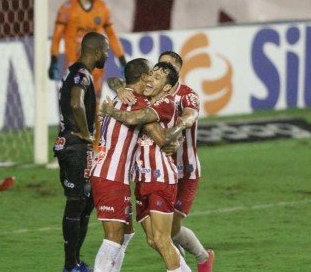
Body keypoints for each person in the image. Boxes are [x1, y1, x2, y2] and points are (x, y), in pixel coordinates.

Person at [109, 51, 215, 272]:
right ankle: (180, 263)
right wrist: (120, 88)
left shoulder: (178, 98)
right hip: (145, 175)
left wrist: (176, 130)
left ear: (175, 74)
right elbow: (119, 79)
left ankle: (200, 258)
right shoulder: (149, 95)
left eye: (162, 71)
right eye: (154, 70)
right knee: (154, 239)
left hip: (177, 172)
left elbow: (190, 115)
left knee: (167, 234)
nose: (151, 76)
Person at [91, 58, 183, 272]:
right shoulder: (137, 103)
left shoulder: (120, 97)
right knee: (114, 237)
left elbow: (115, 80)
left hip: (113, 174)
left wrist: (119, 89)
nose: (152, 77)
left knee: (127, 234)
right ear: (143, 77)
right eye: (151, 73)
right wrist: (175, 138)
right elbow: (160, 139)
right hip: (111, 176)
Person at [54, 32, 109, 272]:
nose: (106, 55)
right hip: (74, 147)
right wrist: (86, 133)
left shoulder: (76, 72)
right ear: (96, 52)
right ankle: (70, 265)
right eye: (105, 51)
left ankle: (75, 261)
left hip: (74, 147)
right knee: (77, 203)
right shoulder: (81, 75)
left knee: (86, 204)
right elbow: (76, 103)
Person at [49, 0, 127, 96]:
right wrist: (53, 61)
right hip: (75, 67)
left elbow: (112, 36)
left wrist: (123, 61)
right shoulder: (67, 9)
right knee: (76, 106)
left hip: (97, 68)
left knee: (94, 108)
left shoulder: (102, 8)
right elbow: (57, 37)